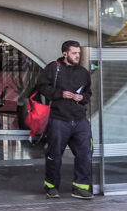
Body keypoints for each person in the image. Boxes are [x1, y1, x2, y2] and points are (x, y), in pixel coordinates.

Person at [36, 40, 93, 199]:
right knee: (54, 154)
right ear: (65, 53)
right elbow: (41, 86)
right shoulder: (53, 68)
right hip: (59, 119)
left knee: (85, 153)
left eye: (79, 53)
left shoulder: (83, 72)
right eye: (74, 53)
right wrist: (60, 94)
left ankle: (80, 187)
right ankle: (51, 187)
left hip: (80, 119)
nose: (77, 56)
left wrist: (82, 97)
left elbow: (89, 93)